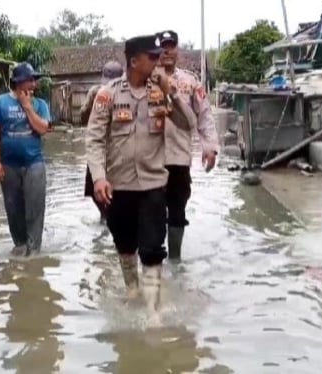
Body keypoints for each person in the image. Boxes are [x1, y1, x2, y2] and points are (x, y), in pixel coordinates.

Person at [86, 34, 196, 319]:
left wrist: (172, 92)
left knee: (151, 249)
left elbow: (188, 124)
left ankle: (153, 309)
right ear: (134, 61)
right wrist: (98, 177)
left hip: (153, 185)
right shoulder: (107, 95)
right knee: (124, 246)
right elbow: (95, 140)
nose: (159, 60)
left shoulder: (161, 92)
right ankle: (132, 290)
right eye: (152, 56)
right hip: (119, 186)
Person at [156, 30, 219, 260]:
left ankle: (175, 262)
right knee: (150, 212)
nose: (167, 51)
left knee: (176, 212)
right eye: (163, 47)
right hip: (149, 159)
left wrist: (209, 147)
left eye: (171, 46)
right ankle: (153, 260)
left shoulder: (190, 82)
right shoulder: (146, 79)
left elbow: (204, 116)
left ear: (177, 50)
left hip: (179, 158)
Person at [0, 62, 51, 256]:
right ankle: (20, 244)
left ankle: (34, 251)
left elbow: (42, 129)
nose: (34, 84)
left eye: (34, 80)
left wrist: (27, 107)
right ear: (18, 82)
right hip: (9, 165)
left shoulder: (40, 104)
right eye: (30, 80)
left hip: (34, 163)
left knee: (35, 207)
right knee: (13, 208)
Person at [79, 60, 124, 223]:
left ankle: (112, 218)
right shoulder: (95, 92)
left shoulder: (126, 93)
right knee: (93, 189)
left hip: (118, 152)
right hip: (99, 150)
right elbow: (82, 119)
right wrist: (93, 100)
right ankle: (105, 216)